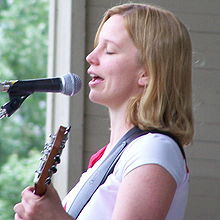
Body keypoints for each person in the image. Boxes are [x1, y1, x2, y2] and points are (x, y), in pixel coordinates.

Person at [14, 3, 194, 220]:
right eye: (97, 46)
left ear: (146, 72)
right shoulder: (114, 156)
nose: (91, 56)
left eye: (109, 50)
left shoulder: (153, 149)